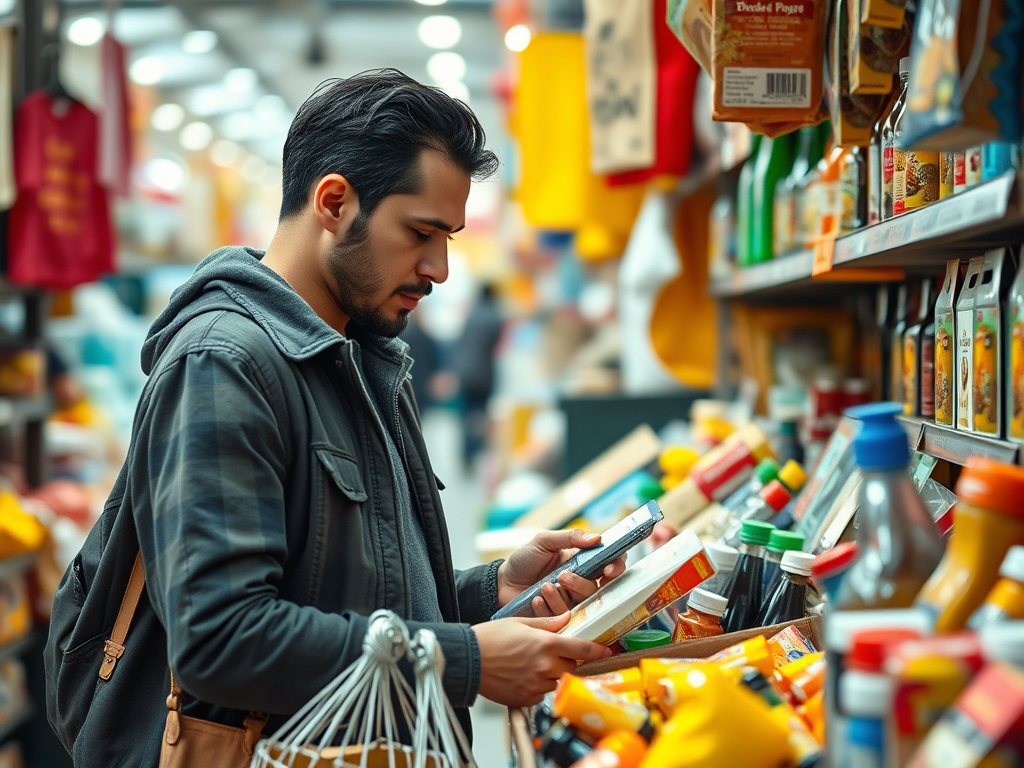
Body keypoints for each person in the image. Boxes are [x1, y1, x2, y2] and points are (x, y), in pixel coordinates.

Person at [45, 70, 621, 767]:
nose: (439, 267)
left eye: (448, 238)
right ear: (334, 202)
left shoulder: (364, 358)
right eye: (421, 232)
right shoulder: (225, 364)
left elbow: (341, 590)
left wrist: (486, 592)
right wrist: (460, 658)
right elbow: (220, 637)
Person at [453, 282, 504, 470]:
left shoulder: (472, 315)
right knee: (480, 414)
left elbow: (461, 342)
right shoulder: (495, 316)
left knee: (466, 414)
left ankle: (466, 453)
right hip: (484, 373)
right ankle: (476, 450)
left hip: (466, 373)